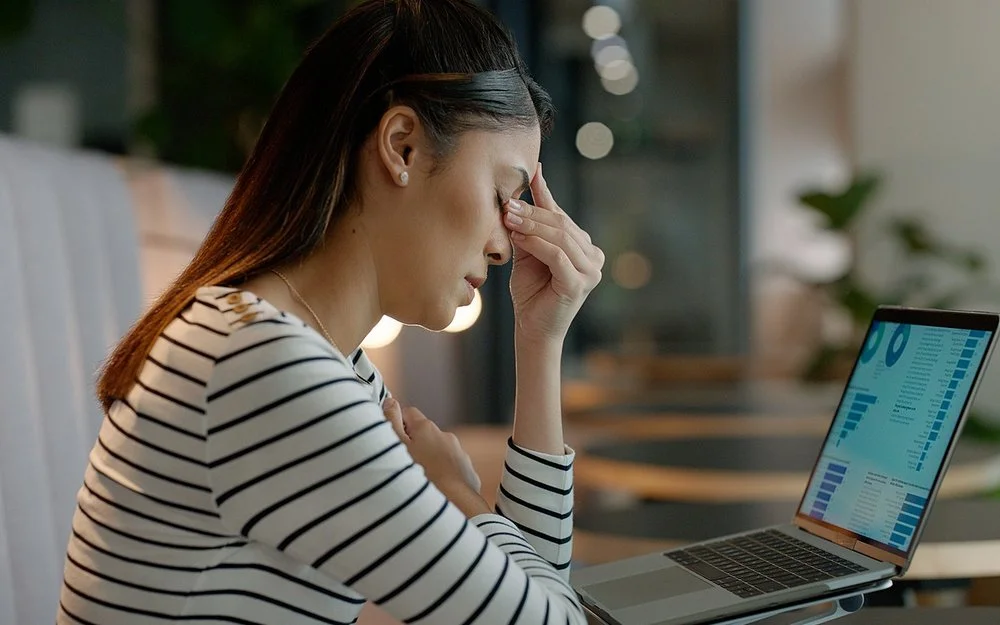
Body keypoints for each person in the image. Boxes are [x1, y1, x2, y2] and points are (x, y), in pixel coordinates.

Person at [57, 0, 604, 623]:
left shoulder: (313, 359)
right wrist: (458, 495)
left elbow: (532, 596)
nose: (507, 243)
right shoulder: (263, 370)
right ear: (401, 146)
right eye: (504, 194)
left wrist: (540, 337)